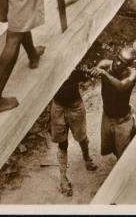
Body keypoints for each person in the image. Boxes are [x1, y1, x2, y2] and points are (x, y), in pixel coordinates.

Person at [50, 69, 97, 197]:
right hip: (58, 106)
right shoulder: (52, 69)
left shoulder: (74, 67)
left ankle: (87, 158)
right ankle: (63, 177)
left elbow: (86, 77)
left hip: (75, 106)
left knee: (81, 136)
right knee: (62, 143)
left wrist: (89, 73)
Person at [91, 46, 136, 159]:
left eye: (123, 62)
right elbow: (94, 72)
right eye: (117, 58)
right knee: (110, 145)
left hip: (122, 120)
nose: (117, 63)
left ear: (129, 65)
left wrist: (105, 74)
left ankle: (133, 127)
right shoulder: (105, 64)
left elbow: (121, 87)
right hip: (107, 116)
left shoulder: (133, 74)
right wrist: (91, 72)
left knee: (123, 154)